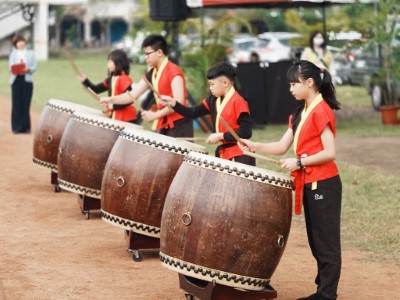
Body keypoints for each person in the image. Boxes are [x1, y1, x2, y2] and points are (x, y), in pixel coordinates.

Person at [239, 60, 342, 300]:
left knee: (325, 242)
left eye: (295, 84)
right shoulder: (300, 112)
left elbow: (330, 152)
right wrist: (254, 145)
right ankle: (323, 291)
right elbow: (281, 146)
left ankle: (327, 294)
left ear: (310, 83)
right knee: (316, 240)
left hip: (324, 183)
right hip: (309, 181)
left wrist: (300, 162)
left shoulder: (322, 110)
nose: (290, 89)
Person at [160, 62, 255, 166]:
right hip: (224, 153)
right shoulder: (212, 100)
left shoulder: (238, 102)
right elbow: (193, 113)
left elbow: (246, 132)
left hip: (241, 154)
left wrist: (221, 136)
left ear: (225, 83)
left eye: (212, 84)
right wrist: (174, 103)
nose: (210, 88)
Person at [100, 34, 193, 137]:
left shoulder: (174, 71)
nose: (146, 57)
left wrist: (155, 115)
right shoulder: (152, 73)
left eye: (148, 54)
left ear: (159, 52)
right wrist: (111, 99)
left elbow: (179, 103)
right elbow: (132, 95)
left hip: (180, 124)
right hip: (166, 123)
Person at [79, 49, 138, 123]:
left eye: (110, 62)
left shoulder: (124, 79)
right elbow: (96, 89)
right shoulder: (111, 79)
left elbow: (130, 99)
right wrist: (85, 81)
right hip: (115, 116)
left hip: (127, 118)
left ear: (118, 63)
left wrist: (114, 106)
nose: (108, 64)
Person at [8, 34, 36, 133]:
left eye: (22, 41)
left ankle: (26, 127)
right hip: (16, 80)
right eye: (19, 42)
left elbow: (34, 67)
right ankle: (16, 127)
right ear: (16, 44)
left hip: (26, 80)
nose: (21, 43)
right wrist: (13, 69)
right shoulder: (13, 54)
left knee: (26, 103)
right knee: (16, 104)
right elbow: (10, 67)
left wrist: (28, 69)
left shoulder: (31, 53)